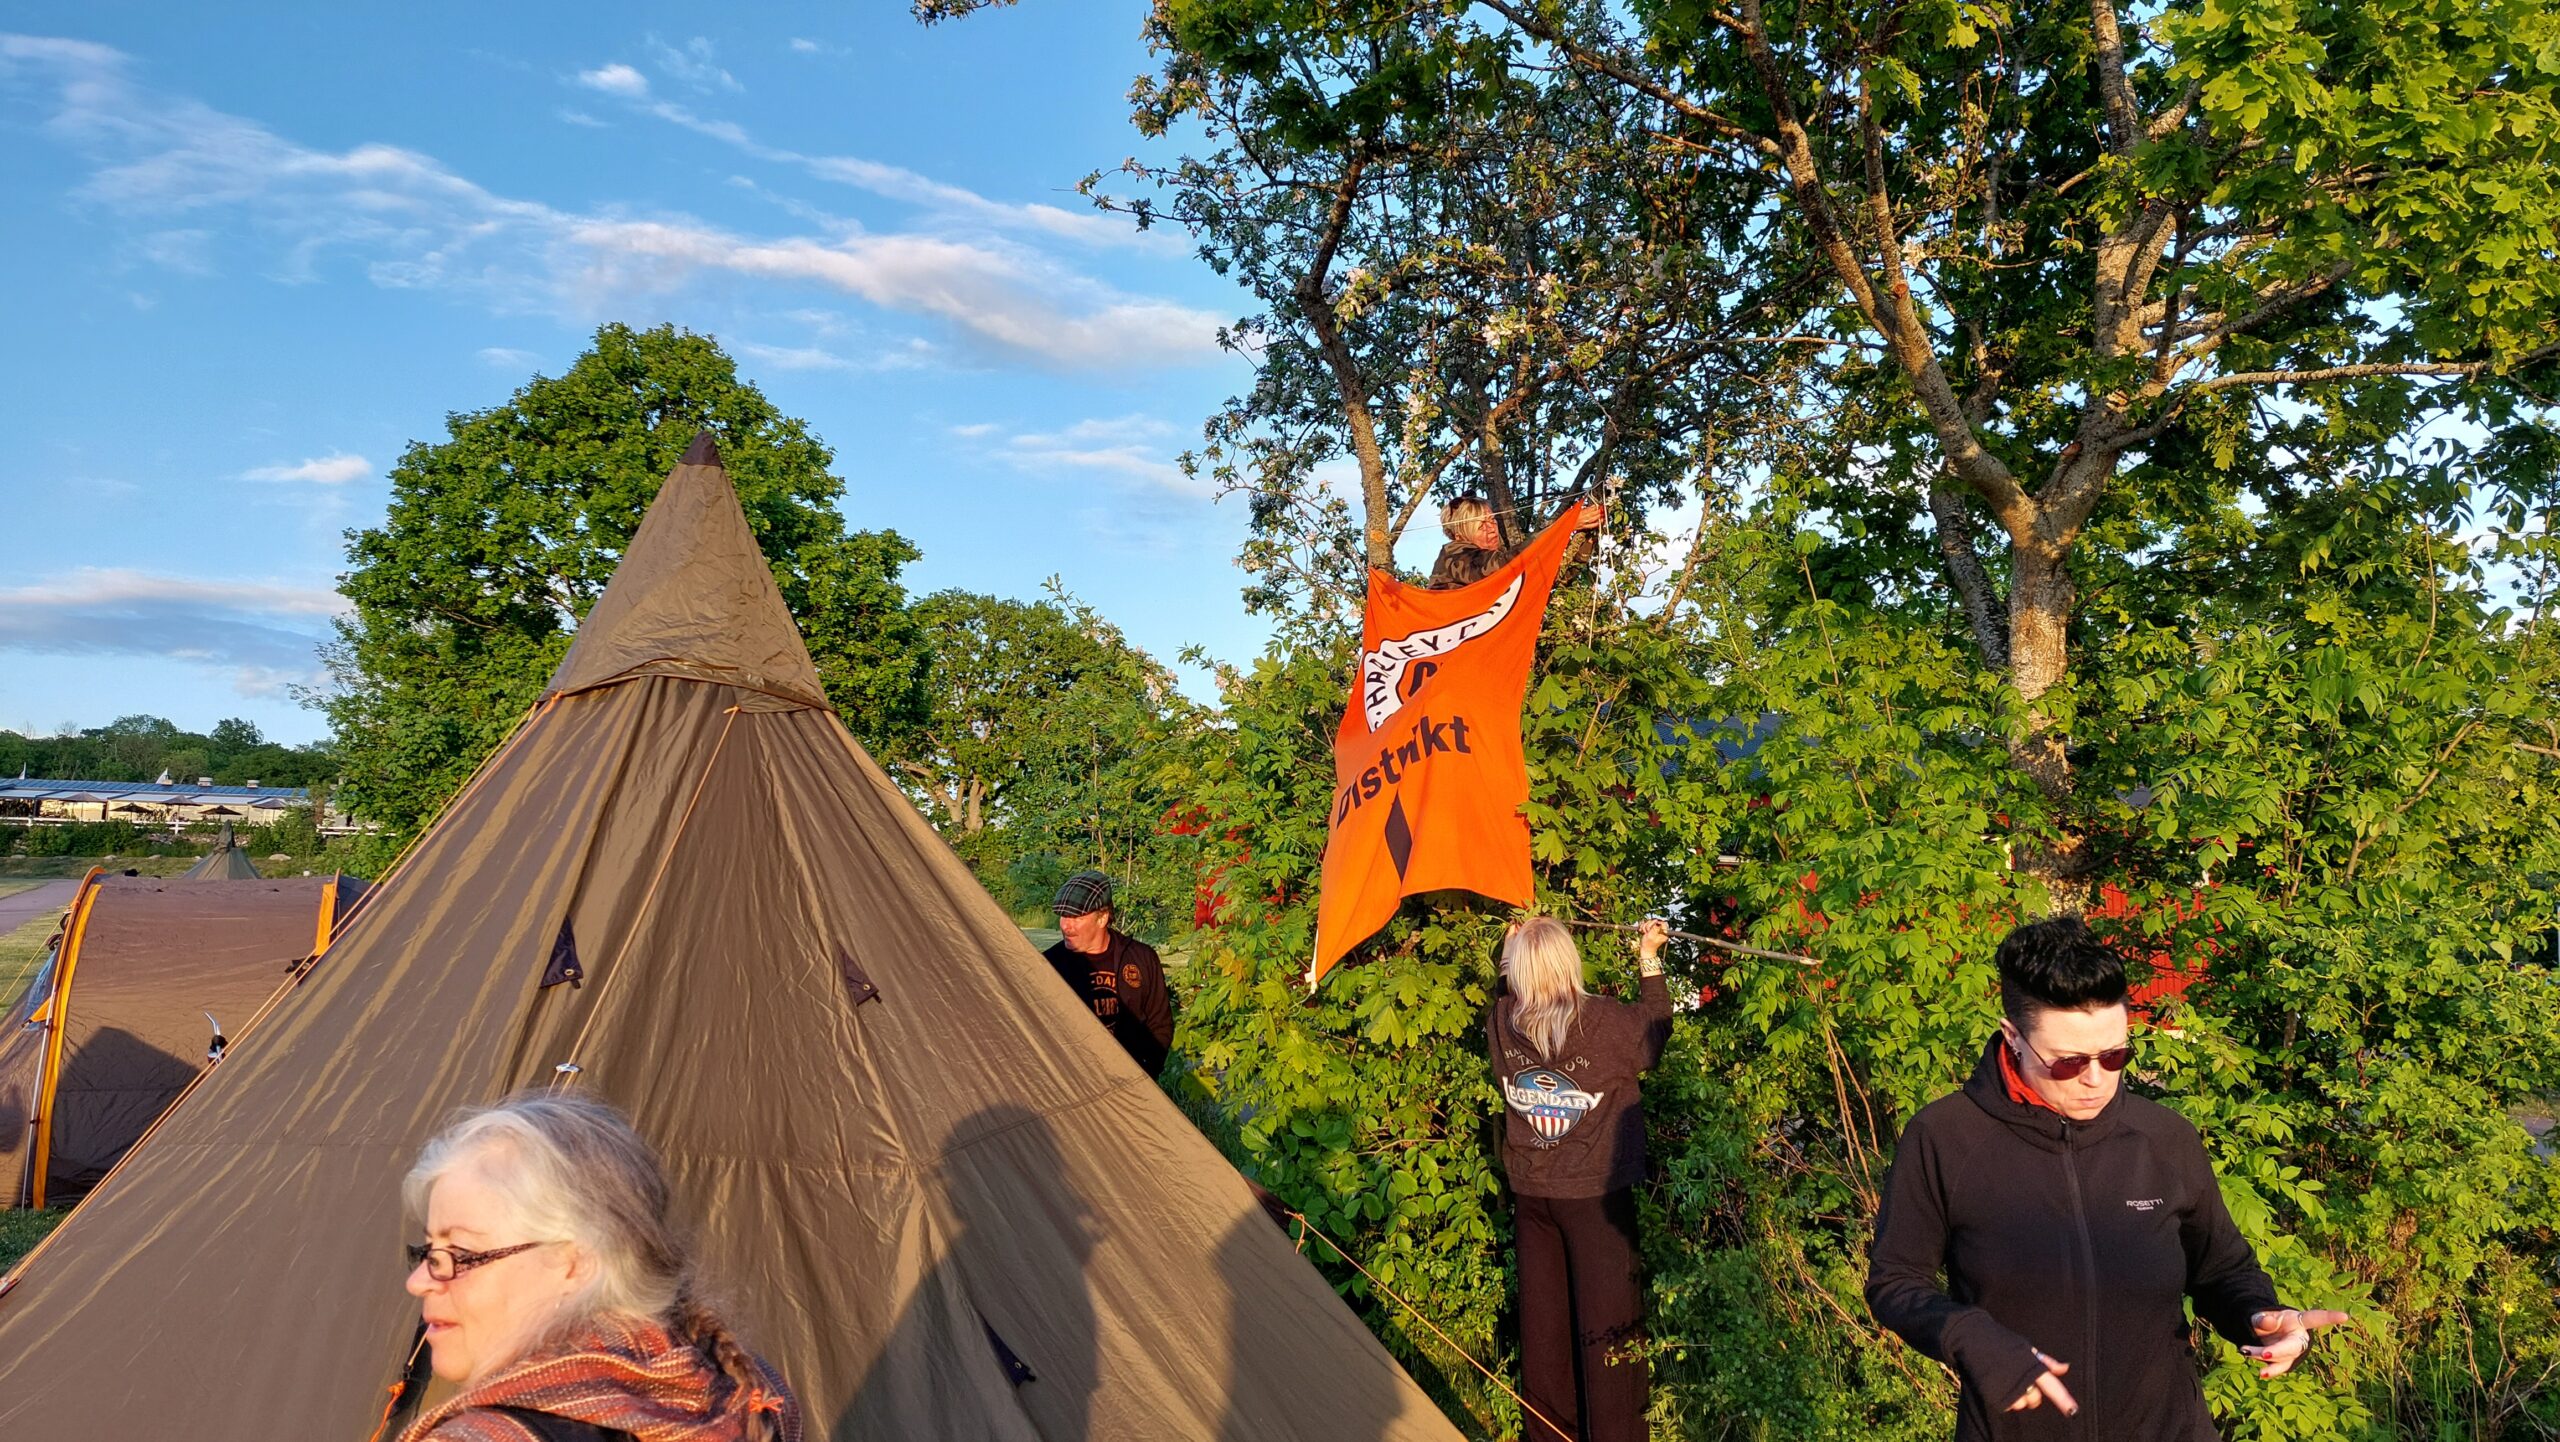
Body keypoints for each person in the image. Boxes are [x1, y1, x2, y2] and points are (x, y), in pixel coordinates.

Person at [1865, 917, 2349, 1440]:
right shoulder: (1946, 1137)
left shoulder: (2163, 1138)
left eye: (2116, 1055)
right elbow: (1896, 1283)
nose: (2096, 1079)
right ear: (2013, 1037)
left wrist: (2262, 1316)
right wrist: (1973, 1339)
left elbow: (2223, 1269)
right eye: (2068, 1063)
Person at [396, 1092, 801, 1442]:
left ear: (575, 1264)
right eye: (429, 1252)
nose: (418, 1282)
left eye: (460, 1254)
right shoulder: (745, 1398)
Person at [1488, 916, 1672, 1442]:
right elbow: (1655, 1032)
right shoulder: (1604, 1021)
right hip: (1596, 1202)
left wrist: (1510, 950)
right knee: (1611, 1336)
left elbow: (1504, 987)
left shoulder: (1502, 1020)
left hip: (1533, 1197)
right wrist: (1649, 955)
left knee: (1544, 1336)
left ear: (1519, 971)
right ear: (1569, 963)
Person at [1042, 869, 1174, 1078]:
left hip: (1132, 1080)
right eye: (1063, 916)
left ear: (1102, 918)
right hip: (1073, 1081)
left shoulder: (1141, 958)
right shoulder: (1049, 964)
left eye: (1075, 917)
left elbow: (1160, 1023)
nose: (1066, 926)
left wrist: (1145, 1073)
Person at [1426, 493, 1602, 589]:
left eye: (1492, 520)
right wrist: (1564, 526)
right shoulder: (1453, 556)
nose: (1491, 528)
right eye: (1481, 526)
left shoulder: (1497, 558)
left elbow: (1552, 578)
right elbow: (1505, 564)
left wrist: (1587, 539)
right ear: (1460, 535)